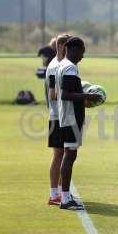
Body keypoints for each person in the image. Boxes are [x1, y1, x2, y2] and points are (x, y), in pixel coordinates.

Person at [56, 37, 99, 210]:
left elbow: (68, 92)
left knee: (69, 154)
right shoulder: (69, 68)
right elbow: (66, 94)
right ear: (73, 49)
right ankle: (65, 198)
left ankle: (64, 194)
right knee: (70, 155)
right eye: (82, 52)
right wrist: (89, 96)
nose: (83, 56)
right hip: (71, 117)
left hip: (67, 116)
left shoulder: (63, 64)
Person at [46, 34, 71, 205]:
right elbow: (53, 95)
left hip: (62, 116)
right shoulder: (55, 66)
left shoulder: (62, 64)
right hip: (58, 117)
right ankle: (55, 194)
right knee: (60, 155)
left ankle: (61, 193)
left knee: (63, 155)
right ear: (61, 46)